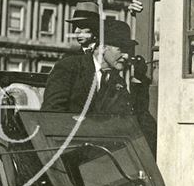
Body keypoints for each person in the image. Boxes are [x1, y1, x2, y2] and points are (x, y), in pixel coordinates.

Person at [42, 19, 156, 153]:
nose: (126, 56)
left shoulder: (117, 82)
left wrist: (139, 81)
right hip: (67, 150)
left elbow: (130, 120)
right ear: (102, 47)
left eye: (129, 51)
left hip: (102, 155)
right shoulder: (69, 68)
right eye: (121, 49)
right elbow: (51, 115)